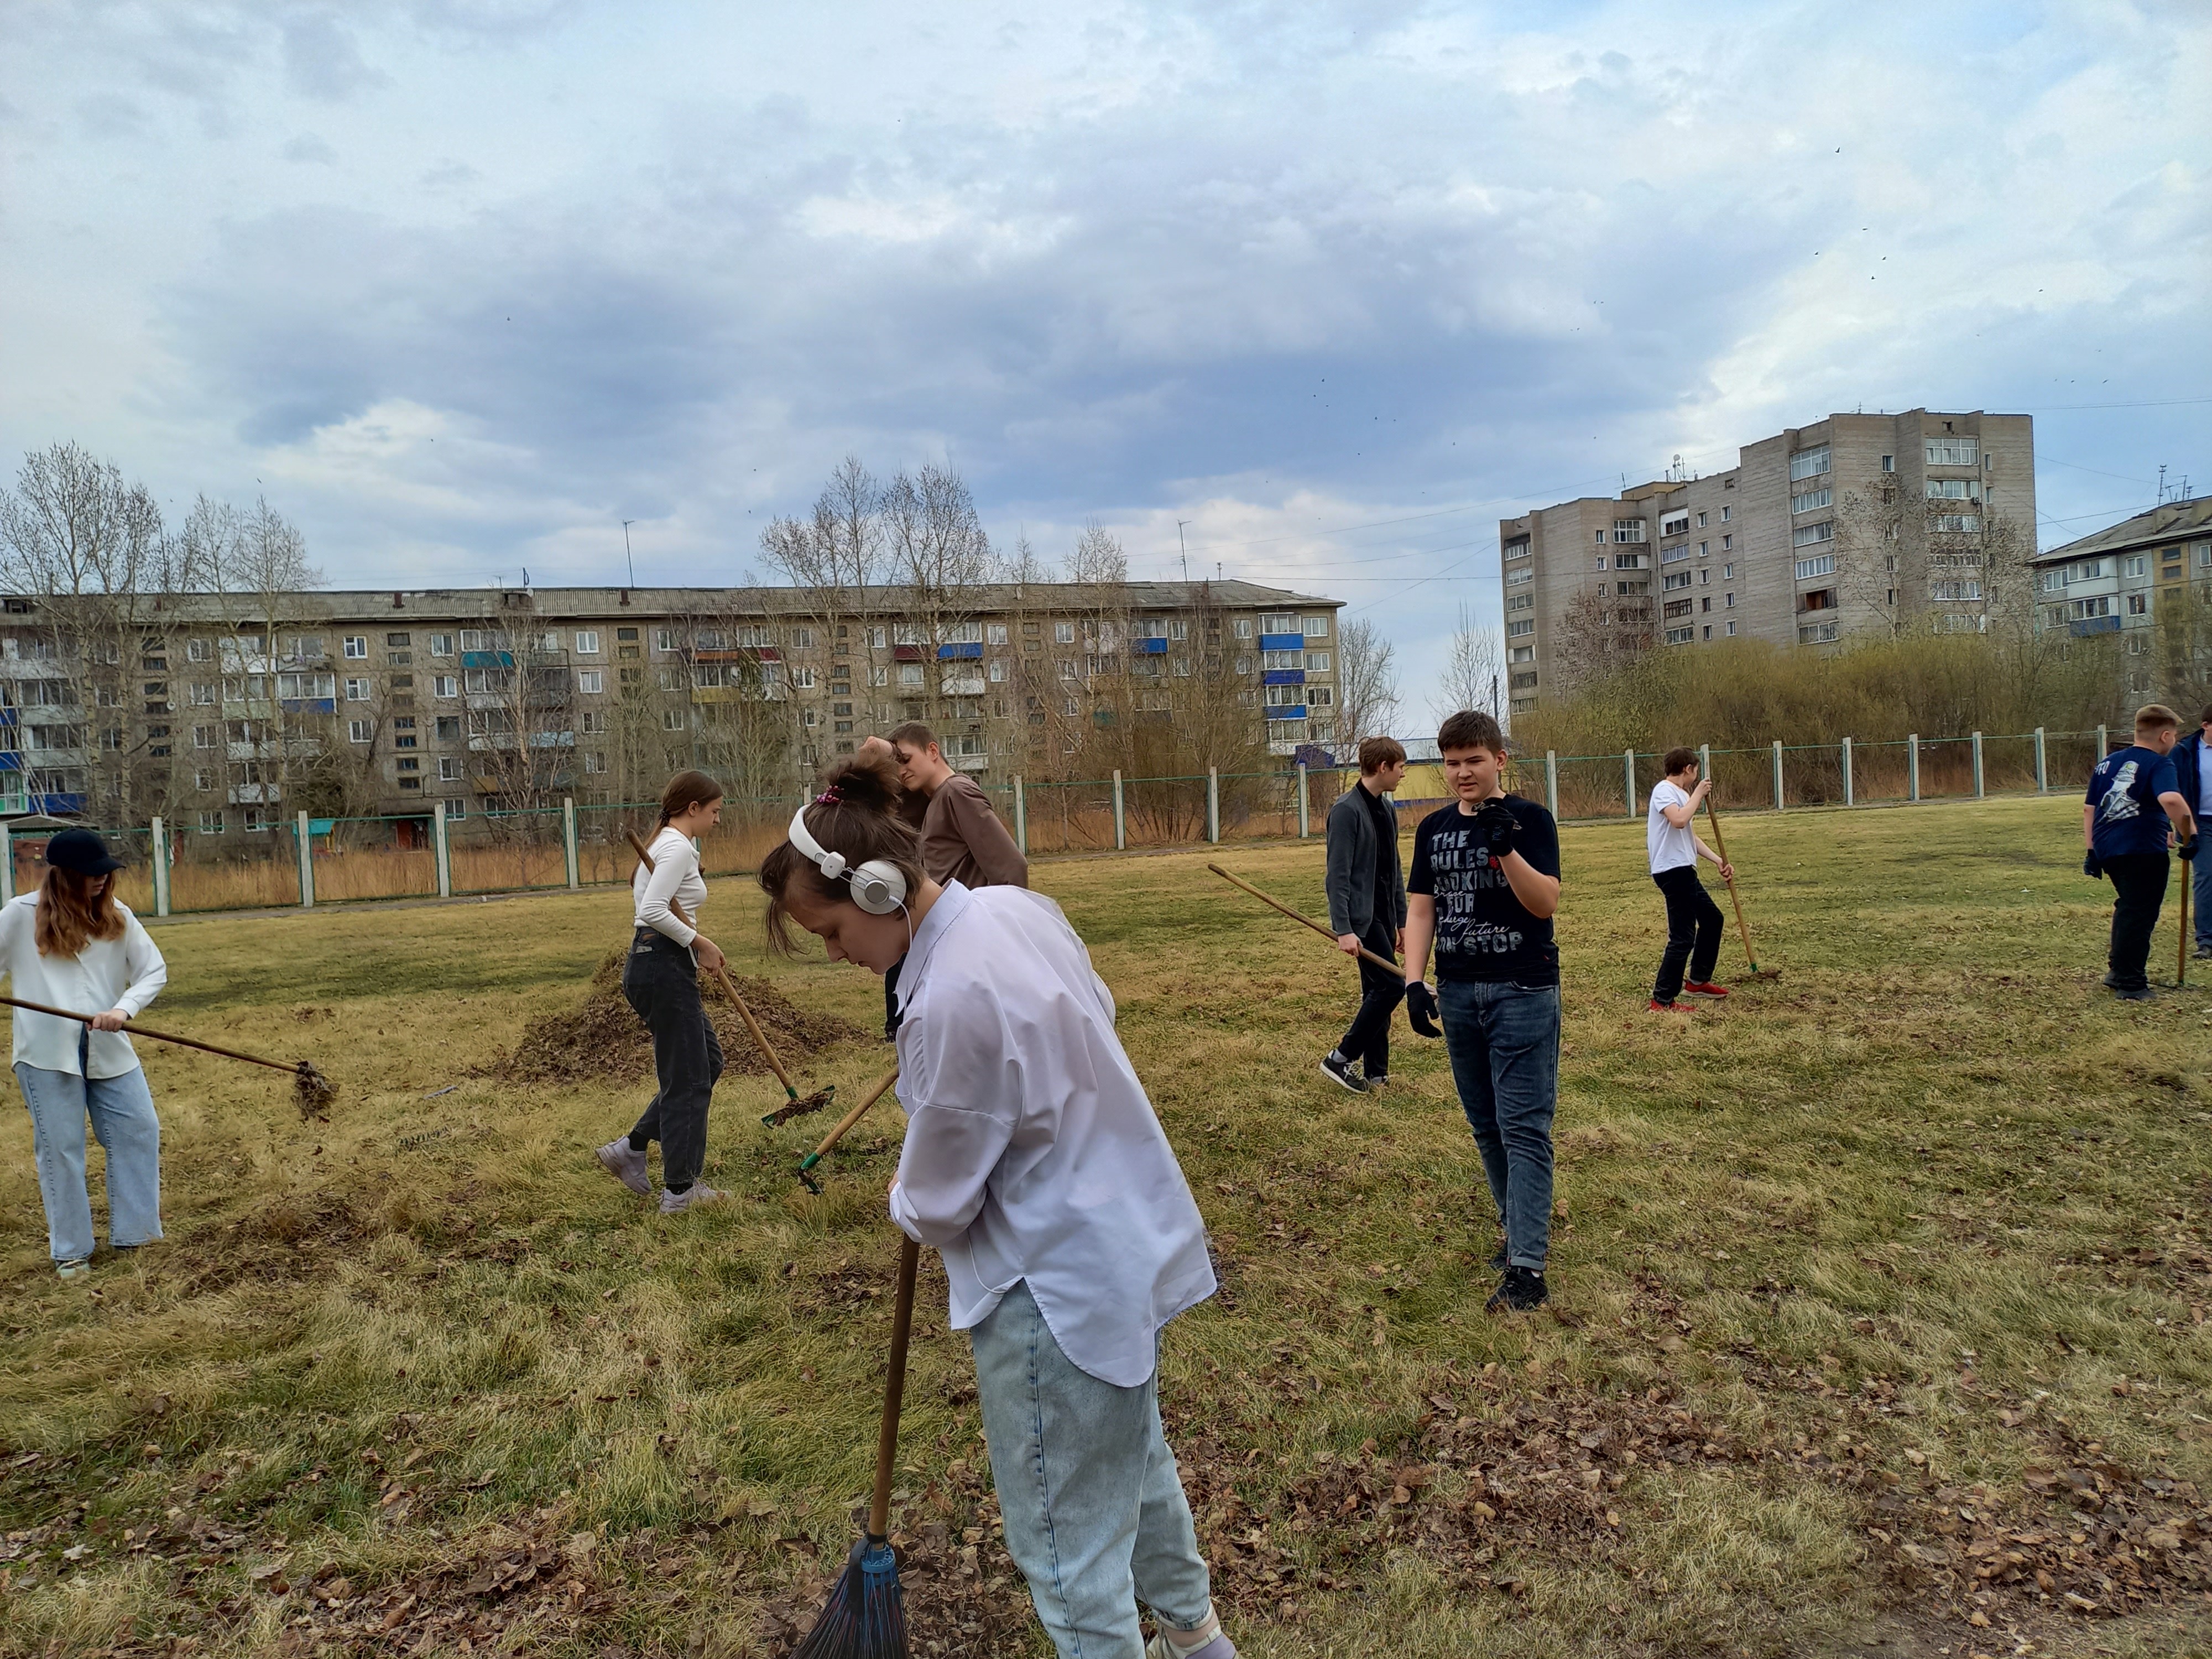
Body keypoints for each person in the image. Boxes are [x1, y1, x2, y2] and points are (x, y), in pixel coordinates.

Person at [758, 756, 1233, 1659]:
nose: (834, 954)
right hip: (1123, 1246)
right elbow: (1096, 1011)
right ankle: (1203, 1644)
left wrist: (904, 1187)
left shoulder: (945, 1004)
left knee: (1066, 1554)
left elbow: (937, 1205)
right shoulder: (1015, 914)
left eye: (828, 932)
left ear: (878, 888)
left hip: (1050, 1292)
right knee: (1135, 1475)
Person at [1400, 709, 1562, 1314]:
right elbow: (1421, 910)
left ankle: (1528, 1268)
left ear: (1499, 760)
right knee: (1485, 1125)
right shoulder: (1431, 829)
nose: (1462, 773)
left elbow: (1544, 903)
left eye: (1473, 760)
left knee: (1523, 1128)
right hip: (1459, 993)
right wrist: (1414, 983)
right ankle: (1513, 1229)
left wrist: (1507, 851)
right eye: (1451, 762)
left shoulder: (1530, 820)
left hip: (1522, 990)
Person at [1, 827, 169, 1279]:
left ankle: (137, 1236)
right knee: (62, 1149)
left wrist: (122, 1008)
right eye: (90, 875)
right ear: (64, 875)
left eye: (104, 873)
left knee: (138, 1129)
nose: (101, 881)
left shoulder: (119, 917)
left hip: (110, 1049)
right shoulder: (19, 916)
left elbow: (154, 971)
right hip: (45, 1054)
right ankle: (72, 1252)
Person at [596, 770, 732, 1212]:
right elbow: (653, 910)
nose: (717, 820)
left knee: (705, 1063)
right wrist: (701, 943)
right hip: (662, 967)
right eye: (714, 811)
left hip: (658, 964)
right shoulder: (675, 847)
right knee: (688, 1078)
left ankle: (632, 1148)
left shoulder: (669, 846)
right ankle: (680, 1189)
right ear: (692, 809)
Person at [2084, 705, 2198, 1002]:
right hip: (2142, 851)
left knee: (2129, 909)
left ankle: (2118, 971)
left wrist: (2091, 851)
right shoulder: (2160, 764)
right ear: (2164, 736)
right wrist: (2191, 834)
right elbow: (2170, 798)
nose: (2174, 741)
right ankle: (2132, 984)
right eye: (2174, 735)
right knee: (2140, 914)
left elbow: (2090, 809)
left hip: (2110, 848)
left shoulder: (2107, 764)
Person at [1320, 736, 1408, 1092]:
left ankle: (1377, 1075)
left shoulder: (1386, 810)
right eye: (1400, 766)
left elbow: (1394, 869)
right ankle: (1339, 1059)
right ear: (1383, 767)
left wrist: (1401, 921)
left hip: (1385, 919)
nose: (1403, 773)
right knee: (1392, 986)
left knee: (1376, 992)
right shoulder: (1346, 810)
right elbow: (1337, 875)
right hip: (1362, 920)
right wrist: (1343, 928)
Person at [877, 722, 1030, 890]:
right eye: (895, 766)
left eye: (906, 760)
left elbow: (1011, 867)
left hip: (971, 914)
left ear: (933, 751)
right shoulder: (933, 799)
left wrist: (1003, 914)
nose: (901, 771)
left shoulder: (956, 792)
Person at [1645, 747, 1734, 1011]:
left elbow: (1688, 836)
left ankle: (1697, 981)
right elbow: (1680, 821)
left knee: (1712, 919)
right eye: (1695, 771)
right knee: (1683, 937)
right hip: (1671, 870)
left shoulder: (1682, 794)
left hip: (1684, 869)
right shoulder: (1664, 791)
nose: (1696, 776)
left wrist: (1718, 860)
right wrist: (1698, 794)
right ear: (1688, 769)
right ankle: (1662, 1000)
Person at [2172, 704, 2212, 961]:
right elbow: (2170, 791)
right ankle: (2207, 940)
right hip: (2201, 823)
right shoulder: (2185, 752)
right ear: (2206, 725)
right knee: (2207, 876)